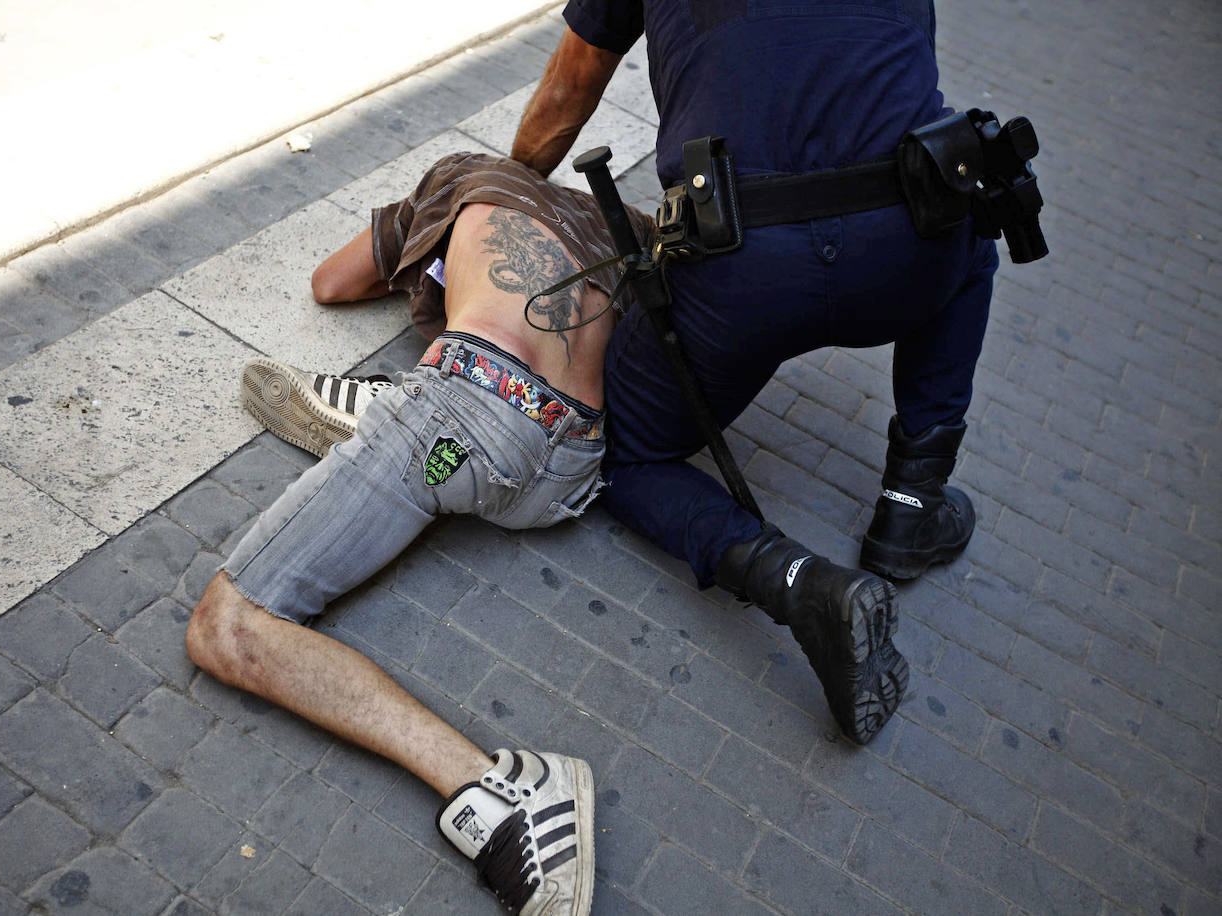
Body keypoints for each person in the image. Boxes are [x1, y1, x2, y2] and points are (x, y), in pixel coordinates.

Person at [506, 1, 1000, 744]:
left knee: (621, 447)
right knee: (972, 243)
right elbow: (899, 65)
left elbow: (569, 90)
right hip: (907, 238)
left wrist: (501, 197)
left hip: (742, 266)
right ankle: (913, 504)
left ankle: (799, 586)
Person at [186, 151, 653, 916]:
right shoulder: (620, 222)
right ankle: (384, 421)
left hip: (467, 414)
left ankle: (507, 795)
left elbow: (331, 284)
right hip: (571, 467)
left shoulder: (466, 176)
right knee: (442, 446)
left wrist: (424, 244)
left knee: (226, 628)